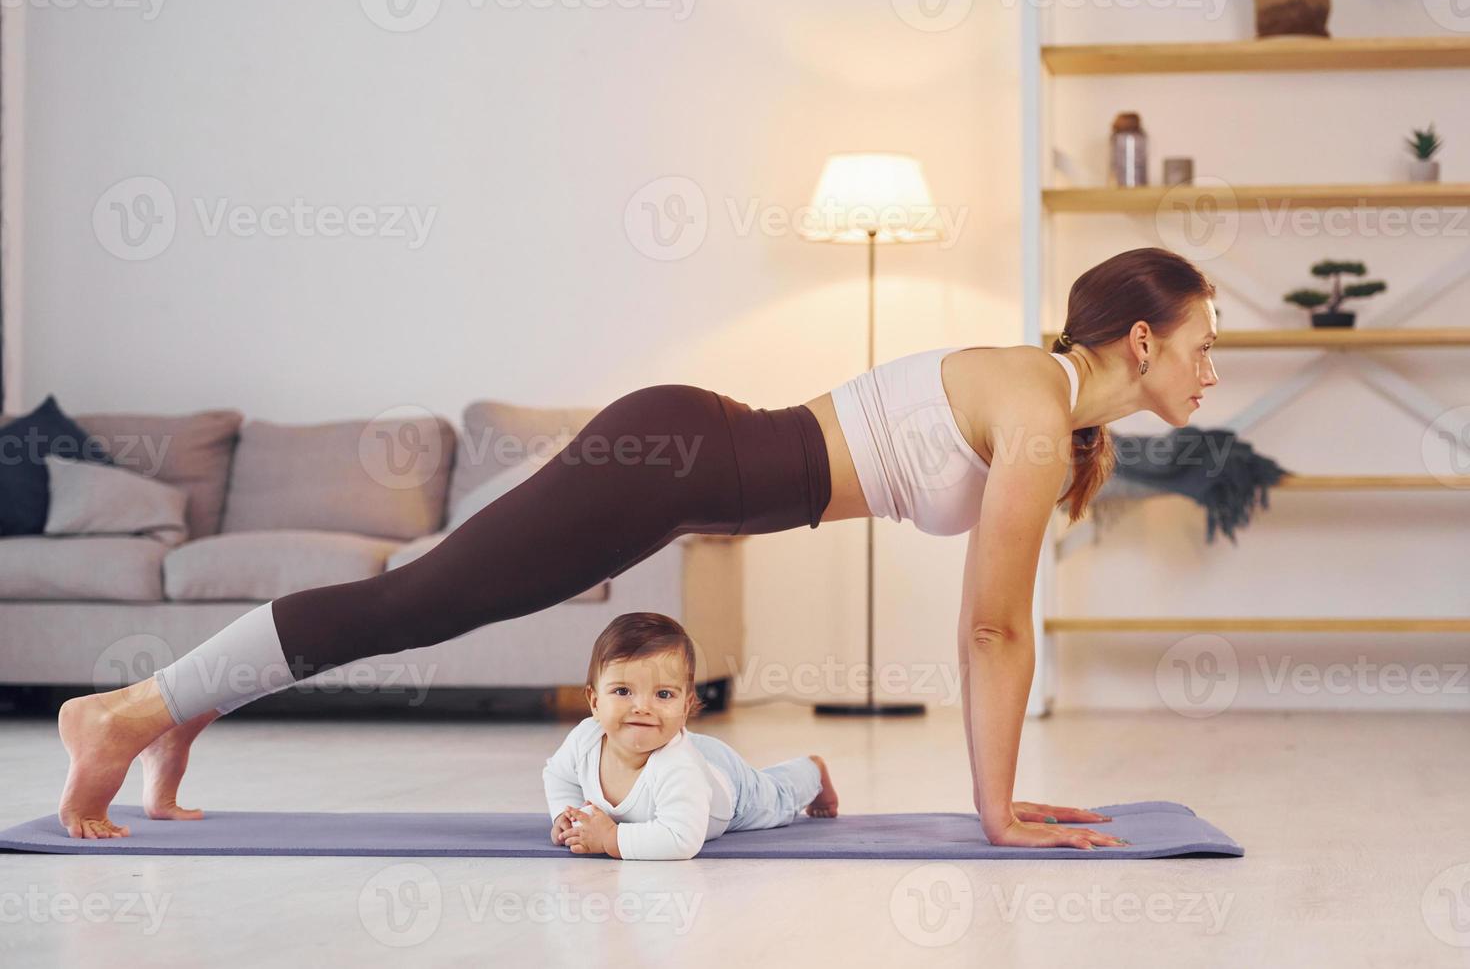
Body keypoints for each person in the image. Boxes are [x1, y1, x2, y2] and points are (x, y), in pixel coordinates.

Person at [56, 245, 1219, 849]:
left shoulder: (1046, 412)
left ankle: (185, 701)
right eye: (1202, 343)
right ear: (1139, 338)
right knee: (421, 601)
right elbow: (992, 624)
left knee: (426, 599)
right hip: (667, 455)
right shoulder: (1030, 405)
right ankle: (121, 712)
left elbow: (992, 623)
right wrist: (999, 810)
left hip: (675, 463)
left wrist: (996, 801)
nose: (1211, 369)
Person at [544, 612, 838, 860]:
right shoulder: (586, 739)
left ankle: (813, 769)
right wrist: (566, 815)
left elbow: (682, 838)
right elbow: (558, 775)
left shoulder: (678, 768)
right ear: (595, 702)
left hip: (728, 788)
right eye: (623, 691)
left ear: (685, 706)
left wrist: (610, 839)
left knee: (777, 798)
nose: (642, 707)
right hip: (685, 749)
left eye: (663, 694)